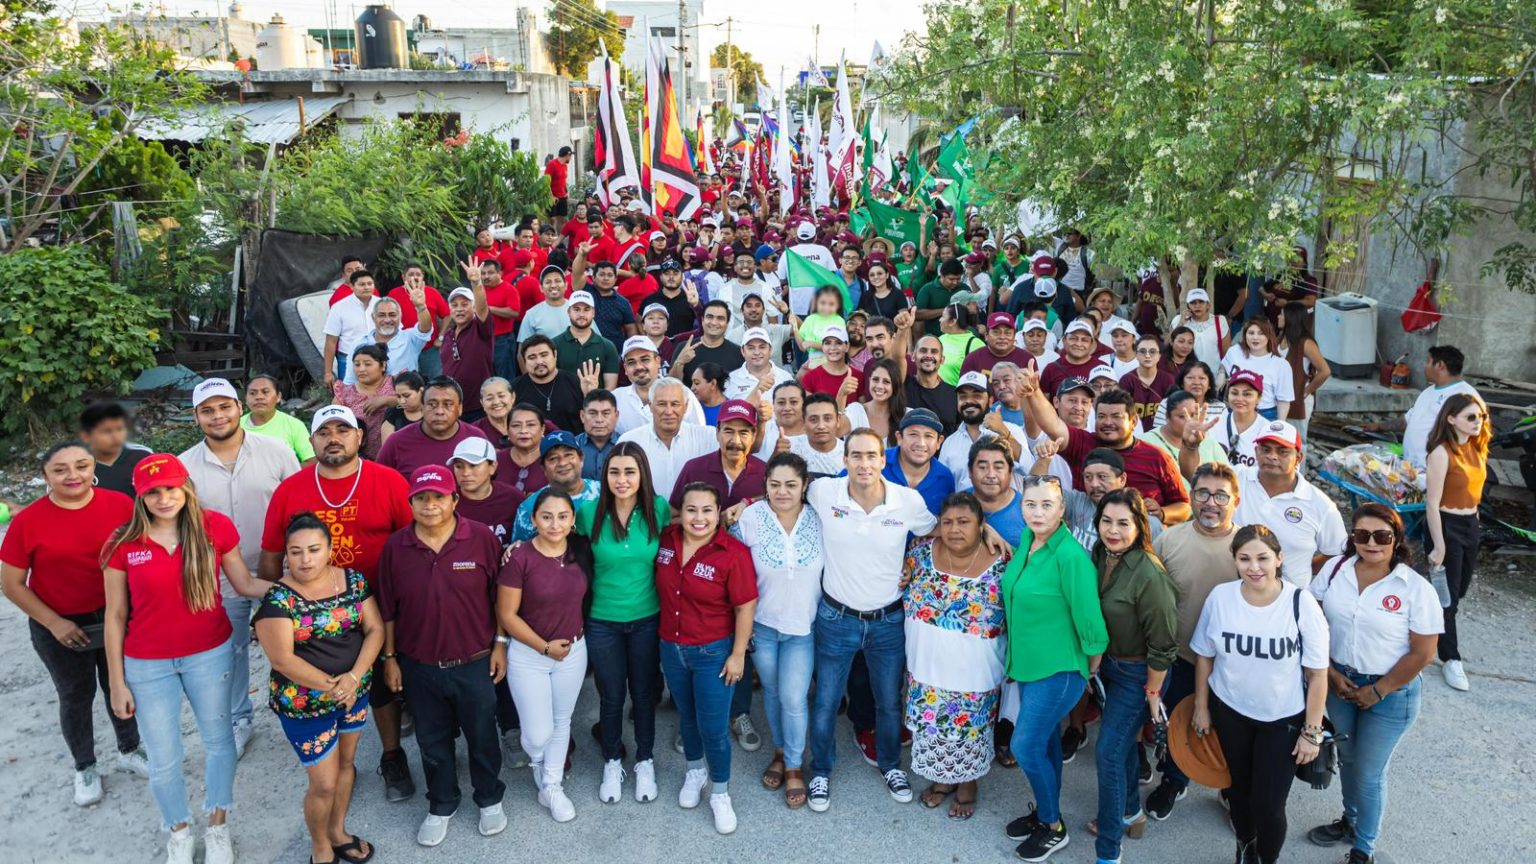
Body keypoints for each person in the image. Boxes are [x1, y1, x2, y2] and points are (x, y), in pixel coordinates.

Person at [103, 454, 267, 864]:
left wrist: (301, 590)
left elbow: (244, 583)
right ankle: (177, 830)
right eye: (153, 492)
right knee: (163, 757)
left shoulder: (214, 528)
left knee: (218, 742)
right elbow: (115, 616)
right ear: (139, 496)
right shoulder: (122, 542)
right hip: (147, 663)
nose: (163, 498)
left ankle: (217, 826)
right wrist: (117, 681)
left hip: (209, 654)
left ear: (186, 488)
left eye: (171, 488)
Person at [260, 406, 416, 802]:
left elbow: (411, 541)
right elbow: (271, 553)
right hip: (309, 616)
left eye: (343, 429)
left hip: (375, 604)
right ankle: (334, 765)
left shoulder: (388, 481)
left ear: (360, 437)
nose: (334, 437)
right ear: (310, 441)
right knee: (317, 682)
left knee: (379, 685)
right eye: (324, 431)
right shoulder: (291, 489)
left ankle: (392, 754)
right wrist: (269, 611)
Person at [805, 430, 944, 813]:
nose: (864, 463)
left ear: (884, 460)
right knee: (827, 701)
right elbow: (779, 492)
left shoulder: (907, 501)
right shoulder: (823, 494)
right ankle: (820, 770)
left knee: (887, 702)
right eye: (856, 456)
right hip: (836, 617)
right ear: (844, 460)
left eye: (871, 456)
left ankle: (889, 765)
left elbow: (932, 532)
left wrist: (912, 563)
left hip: (887, 620)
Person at [1, 443, 145, 807]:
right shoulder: (27, 521)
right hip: (60, 623)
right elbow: (12, 584)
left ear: (93, 467)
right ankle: (85, 766)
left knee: (122, 683)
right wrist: (54, 623)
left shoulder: (120, 505)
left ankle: (130, 749)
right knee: (75, 694)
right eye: (60, 469)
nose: (73, 475)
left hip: (117, 614)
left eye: (81, 466)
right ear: (46, 476)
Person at [377, 465, 509, 847]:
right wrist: (389, 658)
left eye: (438, 497)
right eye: (421, 498)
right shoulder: (396, 547)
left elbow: (499, 596)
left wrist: (500, 643)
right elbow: (387, 609)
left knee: (483, 735)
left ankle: (488, 798)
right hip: (419, 665)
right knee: (432, 741)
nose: (430, 505)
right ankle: (442, 803)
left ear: (454, 499)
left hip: (474, 660)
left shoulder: (480, 538)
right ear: (411, 503)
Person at [1305, 504, 1440, 864]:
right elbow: (1313, 622)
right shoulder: (1335, 571)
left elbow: (1423, 653)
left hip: (1392, 692)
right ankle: (1350, 820)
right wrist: (1330, 673)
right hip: (1340, 683)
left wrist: (1379, 689)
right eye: (1362, 535)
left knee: (1368, 771)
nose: (1371, 543)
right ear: (1353, 538)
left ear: (1396, 540)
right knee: (1348, 759)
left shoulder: (1415, 588)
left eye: (1382, 536)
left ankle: (1364, 848)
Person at [1189, 524, 1329, 864]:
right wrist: (1201, 706)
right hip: (1231, 710)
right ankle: (1245, 846)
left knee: (1268, 804)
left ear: (1279, 558)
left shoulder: (1300, 603)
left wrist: (1312, 732)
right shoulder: (1221, 598)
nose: (1254, 567)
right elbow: (1205, 655)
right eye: (1245, 559)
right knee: (1237, 792)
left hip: (1282, 718)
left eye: (1263, 558)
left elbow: (1317, 674)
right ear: (1234, 561)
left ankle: (1268, 858)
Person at [179, 377, 302, 760]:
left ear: (239, 408)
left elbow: (299, 510)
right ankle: (238, 719)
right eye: (208, 410)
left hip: (279, 574)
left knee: (298, 644)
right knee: (228, 655)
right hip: (221, 581)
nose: (218, 417)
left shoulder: (277, 451)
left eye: (225, 407)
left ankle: (308, 711)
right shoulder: (183, 467)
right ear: (197, 416)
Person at [253, 513, 383, 864]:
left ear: (329, 549)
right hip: (305, 705)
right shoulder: (278, 599)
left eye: (313, 549)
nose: (305, 559)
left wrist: (353, 678)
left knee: (346, 765)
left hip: (354, 692)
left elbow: (374, 629)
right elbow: (282, 660)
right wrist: (335, 687)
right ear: (286, 555)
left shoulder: (354, 581)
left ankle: (338, 830)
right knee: (323, 783)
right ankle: (320, 845)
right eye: (295, 552)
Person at [1001, 475, 1109, 863]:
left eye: (1047, 504)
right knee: (1044, 742)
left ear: (1062, 509)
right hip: (1030, 665)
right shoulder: (1028, 543)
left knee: (1024, 745)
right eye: (1031, 504)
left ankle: (1053, 826)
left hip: (1060, 669)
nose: (1038, 512)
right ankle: (1047, 815)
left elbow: (1090, 617)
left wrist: (1089, 666)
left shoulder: (1070, 556)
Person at [654, 483, 759, 834]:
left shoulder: (733, 552)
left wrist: (738, 655)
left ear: (718, 513)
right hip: (672, 648)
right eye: (691, 510)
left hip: (713, 652)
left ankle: (719, 791)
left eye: (707, 510)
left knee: (713, 727)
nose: (698, 518)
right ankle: (695, 771)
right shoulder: (666, 541)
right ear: (680, 512)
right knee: (687, 716)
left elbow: (745, 606)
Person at [902, 492, 1009, 821]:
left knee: (968, 728)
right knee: (932, 724)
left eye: (964, 522)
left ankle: (967, 784)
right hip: (925, 663)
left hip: (974, 671)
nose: (954, 529)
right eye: (947, 522)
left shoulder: (1002, 562)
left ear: (981, 526)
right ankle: (941, 778)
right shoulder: (919, 554)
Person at [1144, 462, 1241, 820]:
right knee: (1181, 724)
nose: (1210, 502)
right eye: (1202, 493)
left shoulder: (1248, 544)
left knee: (1233, 729)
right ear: (1190, 496)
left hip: (1235, 662)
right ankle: (1174, 779)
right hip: (1181, 654)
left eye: (1220, 495)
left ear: (1236, 500)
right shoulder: (1170, 539)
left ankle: (1231, 787)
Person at [1087, 489, 1179, 864]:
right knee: (1120, 744)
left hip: (1140, 673)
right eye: (1106, 521)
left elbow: (1164, 645)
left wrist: (1153, 693)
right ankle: (1130, 812)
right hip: (1107, 665)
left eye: (1123, 523)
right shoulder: (1099, 553)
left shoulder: (1149, 574)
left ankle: (1108, 849)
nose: (1113, 530)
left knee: (1107, 752)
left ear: (1139, 526)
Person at [728, 452, 823, 809]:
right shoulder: (751, 517)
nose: (782, 491)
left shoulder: (819, 517)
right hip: (763, 627)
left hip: (803, 628)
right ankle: (780, 752)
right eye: (774, 484)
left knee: (794, 698)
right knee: (770, 691)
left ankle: (795, 766)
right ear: (764, 485)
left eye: (791, 484)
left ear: (804, 486)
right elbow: (733, 569)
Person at [578, 443, 670, 804]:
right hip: (603, 621)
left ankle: (645, 760)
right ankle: (612, 760)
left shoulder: (658, 510)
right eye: (614, 472)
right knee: (612, 696)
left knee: (645, 695)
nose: (622, 479)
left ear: (642, 474)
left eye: (629, 472)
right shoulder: (589, 513)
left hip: (647, 618)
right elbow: (555, 541)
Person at [497, 487, 592, 823]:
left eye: (563, 516)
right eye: (547, 516)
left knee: (561, 720)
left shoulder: (581, 549)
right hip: (530, 653)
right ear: (534, 519)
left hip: (574, 650)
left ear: (572, 521)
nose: (555, 524)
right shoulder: (520, 556)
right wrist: (544, 647)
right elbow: (507, 615)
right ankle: (539, 760)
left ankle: (552, 784)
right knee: (537, 735)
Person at [1020, 371, 1192, 525]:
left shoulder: (1157, 457)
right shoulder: (1082, 443)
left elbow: (1184, 506)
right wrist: (1034, 392)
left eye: (1116, 416)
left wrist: (1162, 513)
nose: (1108, 422)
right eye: (1101, 416)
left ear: (1133, 422)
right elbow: (1053, 424)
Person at [1198, 419, 1346, 588]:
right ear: (1255, 451)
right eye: (1265, 449)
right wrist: (1190, 447)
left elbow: (1335, 555)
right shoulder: (1236, 478)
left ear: (1298, 458)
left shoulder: (1321, 505)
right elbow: (1196, 477)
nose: (1272, 456)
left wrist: (1301, 571)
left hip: (1287, 603)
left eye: (1283, 452)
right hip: (1233, 592)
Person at [1423, 392, 1489, 692]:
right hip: (1446, 525)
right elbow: (1432, 503)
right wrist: (1438, 544)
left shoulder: (1478, 448)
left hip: (1471, 524)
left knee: (1458, 591)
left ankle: (1430, 634)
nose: (1478, 422)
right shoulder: (1440, 452)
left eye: (1481, 417)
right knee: (1447, 598)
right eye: (1471, 417)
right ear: (1452, 418)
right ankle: (1451, 658)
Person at [617, 378, 720, 500]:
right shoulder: (630, 441)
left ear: (686, 407)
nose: (668, 411)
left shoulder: (709, 437)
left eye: (675, 404)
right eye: (661, 404)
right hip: (646, 517)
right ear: (650, 406)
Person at [377, 377, 492, 480]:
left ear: (460, 408)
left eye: (448, 404)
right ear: (422, 407)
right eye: (432, 404)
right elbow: (378, 483)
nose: (439, 411)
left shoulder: (476, 438)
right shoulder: (396, 442)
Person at [1388, 345, 1482, 467]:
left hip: (1436, 473)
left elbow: (1473, 439)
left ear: (1440, 365)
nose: (1424, 366)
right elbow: (1407, 420)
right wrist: (1377, 426)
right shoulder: (1428, 391)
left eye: (1428, 361)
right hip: (1411, 469)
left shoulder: (1466, 396)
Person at [671, 399, 767, 511]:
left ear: (754, 436)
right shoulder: (694, 469)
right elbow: (673, 516)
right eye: (728, 431)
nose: (736, 441)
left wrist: (749, 502)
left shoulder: (765, 473)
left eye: (743, 433)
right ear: (717, 433)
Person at [939, 372, 1024, 489]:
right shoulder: (949, 444)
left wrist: (1004, 433)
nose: (969, 401)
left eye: (977, 396)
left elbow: (1029, 470)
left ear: (990, 400)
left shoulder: (1012, 430)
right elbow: (943, 488)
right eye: (963, 396)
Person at [614, 335, 707, 437]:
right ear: (625, 368)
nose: (639, 367)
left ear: (658, 361)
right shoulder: (616, 399)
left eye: (645, 359)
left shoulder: (682, 393)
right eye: (631, 362)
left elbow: (699, 434)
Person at [450, 436, 525, 548]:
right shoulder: (447, 500)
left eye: (473, 465)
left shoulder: (513, 498)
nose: (465, 473)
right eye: (459, 466)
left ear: (492, 467)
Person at [344, 289, 432, 384]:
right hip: (369, 397)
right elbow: (350, 381)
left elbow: (425, 328)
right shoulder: (359, 344)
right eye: (381, 315)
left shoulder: (410, 339)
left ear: (400, 317)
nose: (387, 320)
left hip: (402, 397)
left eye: (392, 315)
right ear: (373, 318)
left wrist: (421, 307)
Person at [440, 270, 495, 420]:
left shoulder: (480, 327)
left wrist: (476, 283)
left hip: (477, 408)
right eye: (454, 305)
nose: (459, 309)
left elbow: (483, 308)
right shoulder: (449, 334)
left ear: (474, 307)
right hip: (451, 406)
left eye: (465, 304)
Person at [1139, 389, 1227, 480]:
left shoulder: (1209, 443)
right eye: (1182, 416)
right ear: (1167, 417)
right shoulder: (1144, 443)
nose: (1189, 421)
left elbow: (1227, 479)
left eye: (1193, 415)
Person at [1276, 301, 1331, 442]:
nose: (1278, 316)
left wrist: (1306, 391)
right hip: (1280, 399)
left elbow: (1324, 371)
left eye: (1281, 314)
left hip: (1299, 400)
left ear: (1290, 317)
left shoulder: (1306, 343)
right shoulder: (1280, 338)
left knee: (1296, 441)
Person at [511, 336, 591, 432]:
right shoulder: (514, 389)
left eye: (544, 355)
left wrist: (589, 395)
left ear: (555, 355)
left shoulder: (576, 382)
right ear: (524, 360)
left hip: (573, 444)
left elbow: (590, 418)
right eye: (532, 357)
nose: (539, 362)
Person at [1221, 318, 1294, 421]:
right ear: (1245, 335)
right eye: (1251, 333)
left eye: (1261, 333)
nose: (1255, 337)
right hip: (1235, 410)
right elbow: (1223, 368)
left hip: (1265, 414)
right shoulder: (1235, 352)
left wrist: (1280, 424)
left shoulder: (1281, 364)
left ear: (1269, 336)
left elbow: (1284, 400)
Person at [332, 345, 396, 460]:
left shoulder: (396, 384)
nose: (361, 369)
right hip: (358, 458)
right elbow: (333, 424)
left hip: (396, 453)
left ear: (383, 365)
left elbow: (415, 404)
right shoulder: (344, 393)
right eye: (357, 364)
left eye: (367, 364)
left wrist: (386, 400)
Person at [78, 402, 152, 497]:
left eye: (119, 429)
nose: (115, 436)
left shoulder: (143, 456)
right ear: (86, 436)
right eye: (106, 431)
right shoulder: (77, 465)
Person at [323, 269, 379, 388]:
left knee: (377, 397)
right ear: (352, 286)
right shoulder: (339, 307)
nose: (366, 287)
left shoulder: (382, 305)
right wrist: (328, 372)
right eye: (362, 284)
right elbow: (331, 341)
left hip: (378, 358)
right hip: (349, 360)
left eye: (370, 284)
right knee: (349, 396)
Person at [242, 375, 317, 462]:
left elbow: (310, 461)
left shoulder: (294, 425)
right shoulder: (236, 427)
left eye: (265, 392)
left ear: (278, 397)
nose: (259, 397)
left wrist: (286, 474)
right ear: (246, 399)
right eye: (252, 393)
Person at [970, 440, 1026, 547]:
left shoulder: (1028, 512)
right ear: (970, 471)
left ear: (1010, 472)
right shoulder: (957, 503)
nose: (991, 475)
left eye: (998, 468)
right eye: (982, 467)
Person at [671, 301, 743, 383]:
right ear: (702, 320)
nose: (714, 322)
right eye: (709, 317)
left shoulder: (737, 353)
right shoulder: (684, 348)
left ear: (727, 323)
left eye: (720, 318)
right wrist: (680, 362)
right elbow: (671, 385)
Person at [724, 326, 795, 404]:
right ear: (743, 351)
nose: (757, 352)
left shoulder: (785, 377)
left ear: (770, 350)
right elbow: (728, 414)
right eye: (751, 348)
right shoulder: (731, 380)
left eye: (762, 347)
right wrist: (757, 389)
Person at [847, 357, 908, 445]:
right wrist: (842, 394)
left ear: (895, 386)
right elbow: (836, 429)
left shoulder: (907, 415)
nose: (879, 386)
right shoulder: (855, 411)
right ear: (869, 381)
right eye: (875, 379)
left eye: (886, 382)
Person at [1119, 334, 1176, 430]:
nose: (1147, 355)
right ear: (1136, 355)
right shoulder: (1127, 380)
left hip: (1160, 435)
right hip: (1132, 434)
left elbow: (1173, 411)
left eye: (1152, 352)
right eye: (1142, 351)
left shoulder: (1168, 380)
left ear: (1159, 356)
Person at [907, 335, 960, 434]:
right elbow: (897, 357)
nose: (928, 355)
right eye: (923, 351)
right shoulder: (902, 387)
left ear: (942, 359)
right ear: (913, 356)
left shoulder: (954, 394)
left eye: (934, 352)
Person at [1167, 287, 1229, 371]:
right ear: (1188, 305)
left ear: (1208, 305)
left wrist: (1222, 372)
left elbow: (1227, 353)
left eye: (1201, 302)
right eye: (1193, 302)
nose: (1197, 306)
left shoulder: (1220, 321)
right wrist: (1181, 323)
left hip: (1214, 374)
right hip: (1185, 374)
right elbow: (1168, 345)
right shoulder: (1178, 320)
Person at [519, 264, 576, 342]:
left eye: (557, 281)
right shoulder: (531, 315)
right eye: (548, 282)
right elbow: (523, 350)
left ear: (566, 285)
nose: (553, 285)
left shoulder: (578, 310)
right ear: (541, 288)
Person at [577, 390, 619, 481]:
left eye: (606, 413)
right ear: (582, 416)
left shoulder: (625, 445)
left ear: (616, 415)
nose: (599, 420)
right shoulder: (572, 446)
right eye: (592, 413)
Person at [545, 146, 572, 227]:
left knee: (563, 219)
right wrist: (551, 196)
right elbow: (546, 182)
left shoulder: (565, 166)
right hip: (552, 196)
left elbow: (564, 180)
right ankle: (549, 235)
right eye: (570, 156)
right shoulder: (552, 164)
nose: (571, 158)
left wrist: (567, 191)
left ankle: (561, 238)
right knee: (552, 219)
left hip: (562, 196)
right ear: (567, 155)